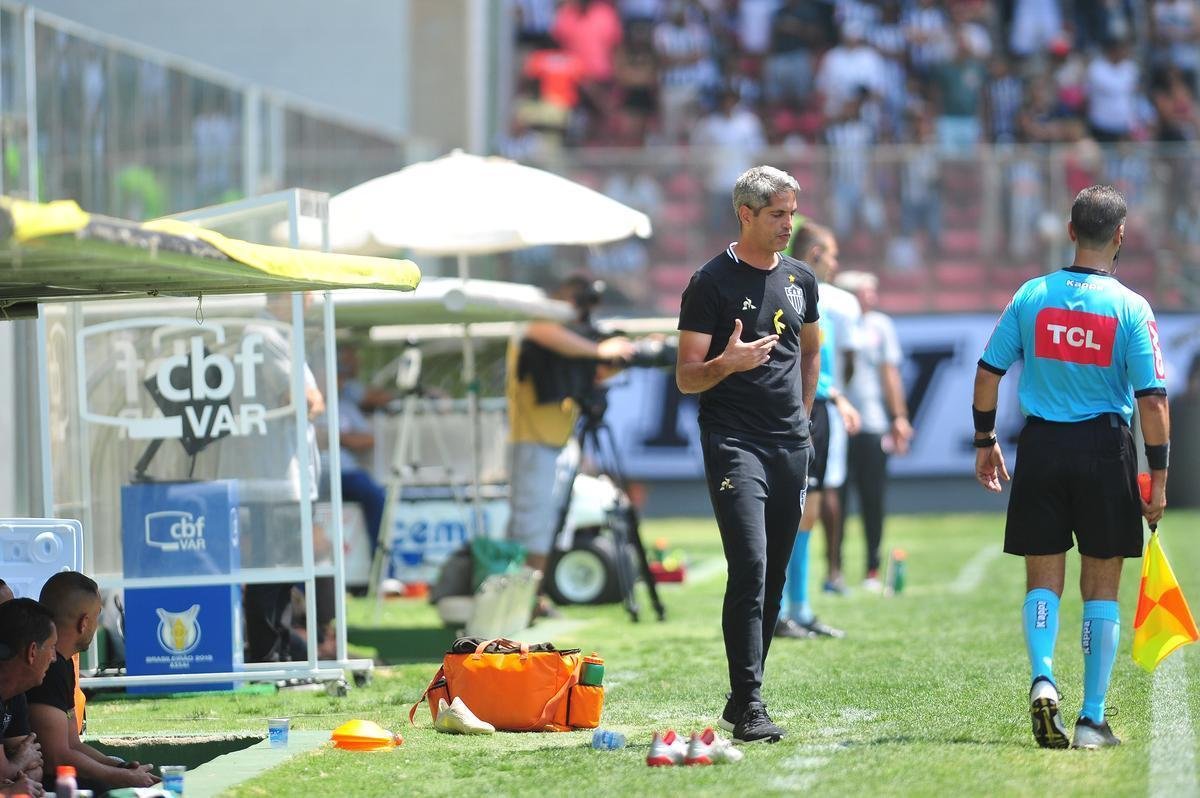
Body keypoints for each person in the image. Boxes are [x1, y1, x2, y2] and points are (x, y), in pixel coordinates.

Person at [972, 185, 1169, 750]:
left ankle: (1042, 677)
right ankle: (1092, 718)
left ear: (1070, 231)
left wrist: (985, 439)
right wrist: (1159, 474)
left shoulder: (1032, 295)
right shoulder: (1131, 306)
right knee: (1102, 582)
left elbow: (989, 373)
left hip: (1041, 447)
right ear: (1122, 236)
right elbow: (1152, 399)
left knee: (1044, 578)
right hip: (1105, 448)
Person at [676, 165, 820, 743]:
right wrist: (726, 364)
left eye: (792, 213)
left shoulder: (801, 278)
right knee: (752, 565)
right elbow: (687, 378)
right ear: (746, 214)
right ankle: (754, 701)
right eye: (777, 214)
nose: (789, 224)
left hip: (791, 443)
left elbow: (810, 351)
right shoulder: (708, 282)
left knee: (776, 572)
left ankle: (741, 701)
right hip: (734, 442)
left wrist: (805, 417)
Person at [505, 275, 636, 618]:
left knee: (549, 526)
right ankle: (517, 602)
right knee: (530, 525)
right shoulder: (541, 326)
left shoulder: (568, 339)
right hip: (533, 442)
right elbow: (537, 331)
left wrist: (619, 355)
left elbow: (590, 375)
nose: (577, 308)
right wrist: (599, 349)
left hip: (562, 442)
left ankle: (533, 597)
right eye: (575, 298)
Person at [777, 220, 857, 643]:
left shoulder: (819, 297)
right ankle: (780, 610)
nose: (835, 263)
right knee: (794, 512)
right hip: (803, 410)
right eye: (830, 254)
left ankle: (799, 608)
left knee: (808, 511)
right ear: (813, 254)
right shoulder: (794, 292)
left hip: (821, 407)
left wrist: (836, 397)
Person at [27, 572, 158, 791]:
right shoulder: (48, 668)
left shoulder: (63, 663)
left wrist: (121, 767)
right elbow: (57, 758)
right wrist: (119, 777)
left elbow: (73, 744)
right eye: (97, 616)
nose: (97, 625)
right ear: (84, 622)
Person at [835, 271, 913, 591]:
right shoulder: (833, 321)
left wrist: (899, 416)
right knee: (834, 500)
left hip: (872, 423)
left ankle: (871, 567)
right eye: (865, 291)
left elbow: (889, 374)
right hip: (838, 422)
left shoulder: (880, 325)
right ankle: (834, 567)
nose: (872, 296)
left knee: (873, 498)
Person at [0, 597, 54, 797]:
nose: (54, 657)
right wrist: (18, 763)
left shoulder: (14, 693)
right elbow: (4, 771)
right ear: (32, 652)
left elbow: (36, 769)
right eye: (51, 647)